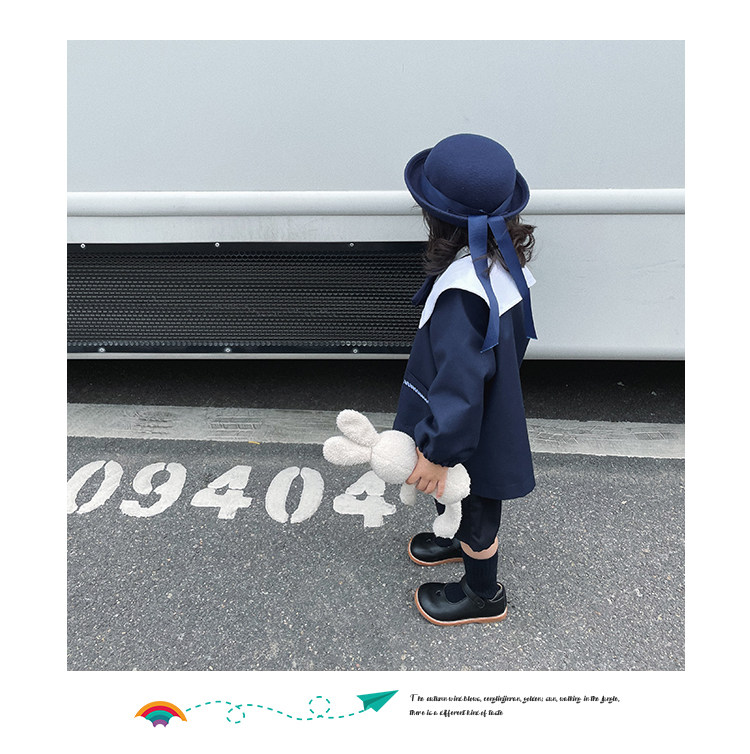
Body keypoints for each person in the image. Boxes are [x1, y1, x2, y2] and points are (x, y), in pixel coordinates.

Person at [394, 133, 537, 626]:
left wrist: (438, 451)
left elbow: (460, 384)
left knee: (479, 506)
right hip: (487, 409)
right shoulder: (501, 263)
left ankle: (482, 593)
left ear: (435, 218)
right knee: (467, 496)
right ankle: (456, 538)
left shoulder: (463, 295)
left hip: (471, 428)